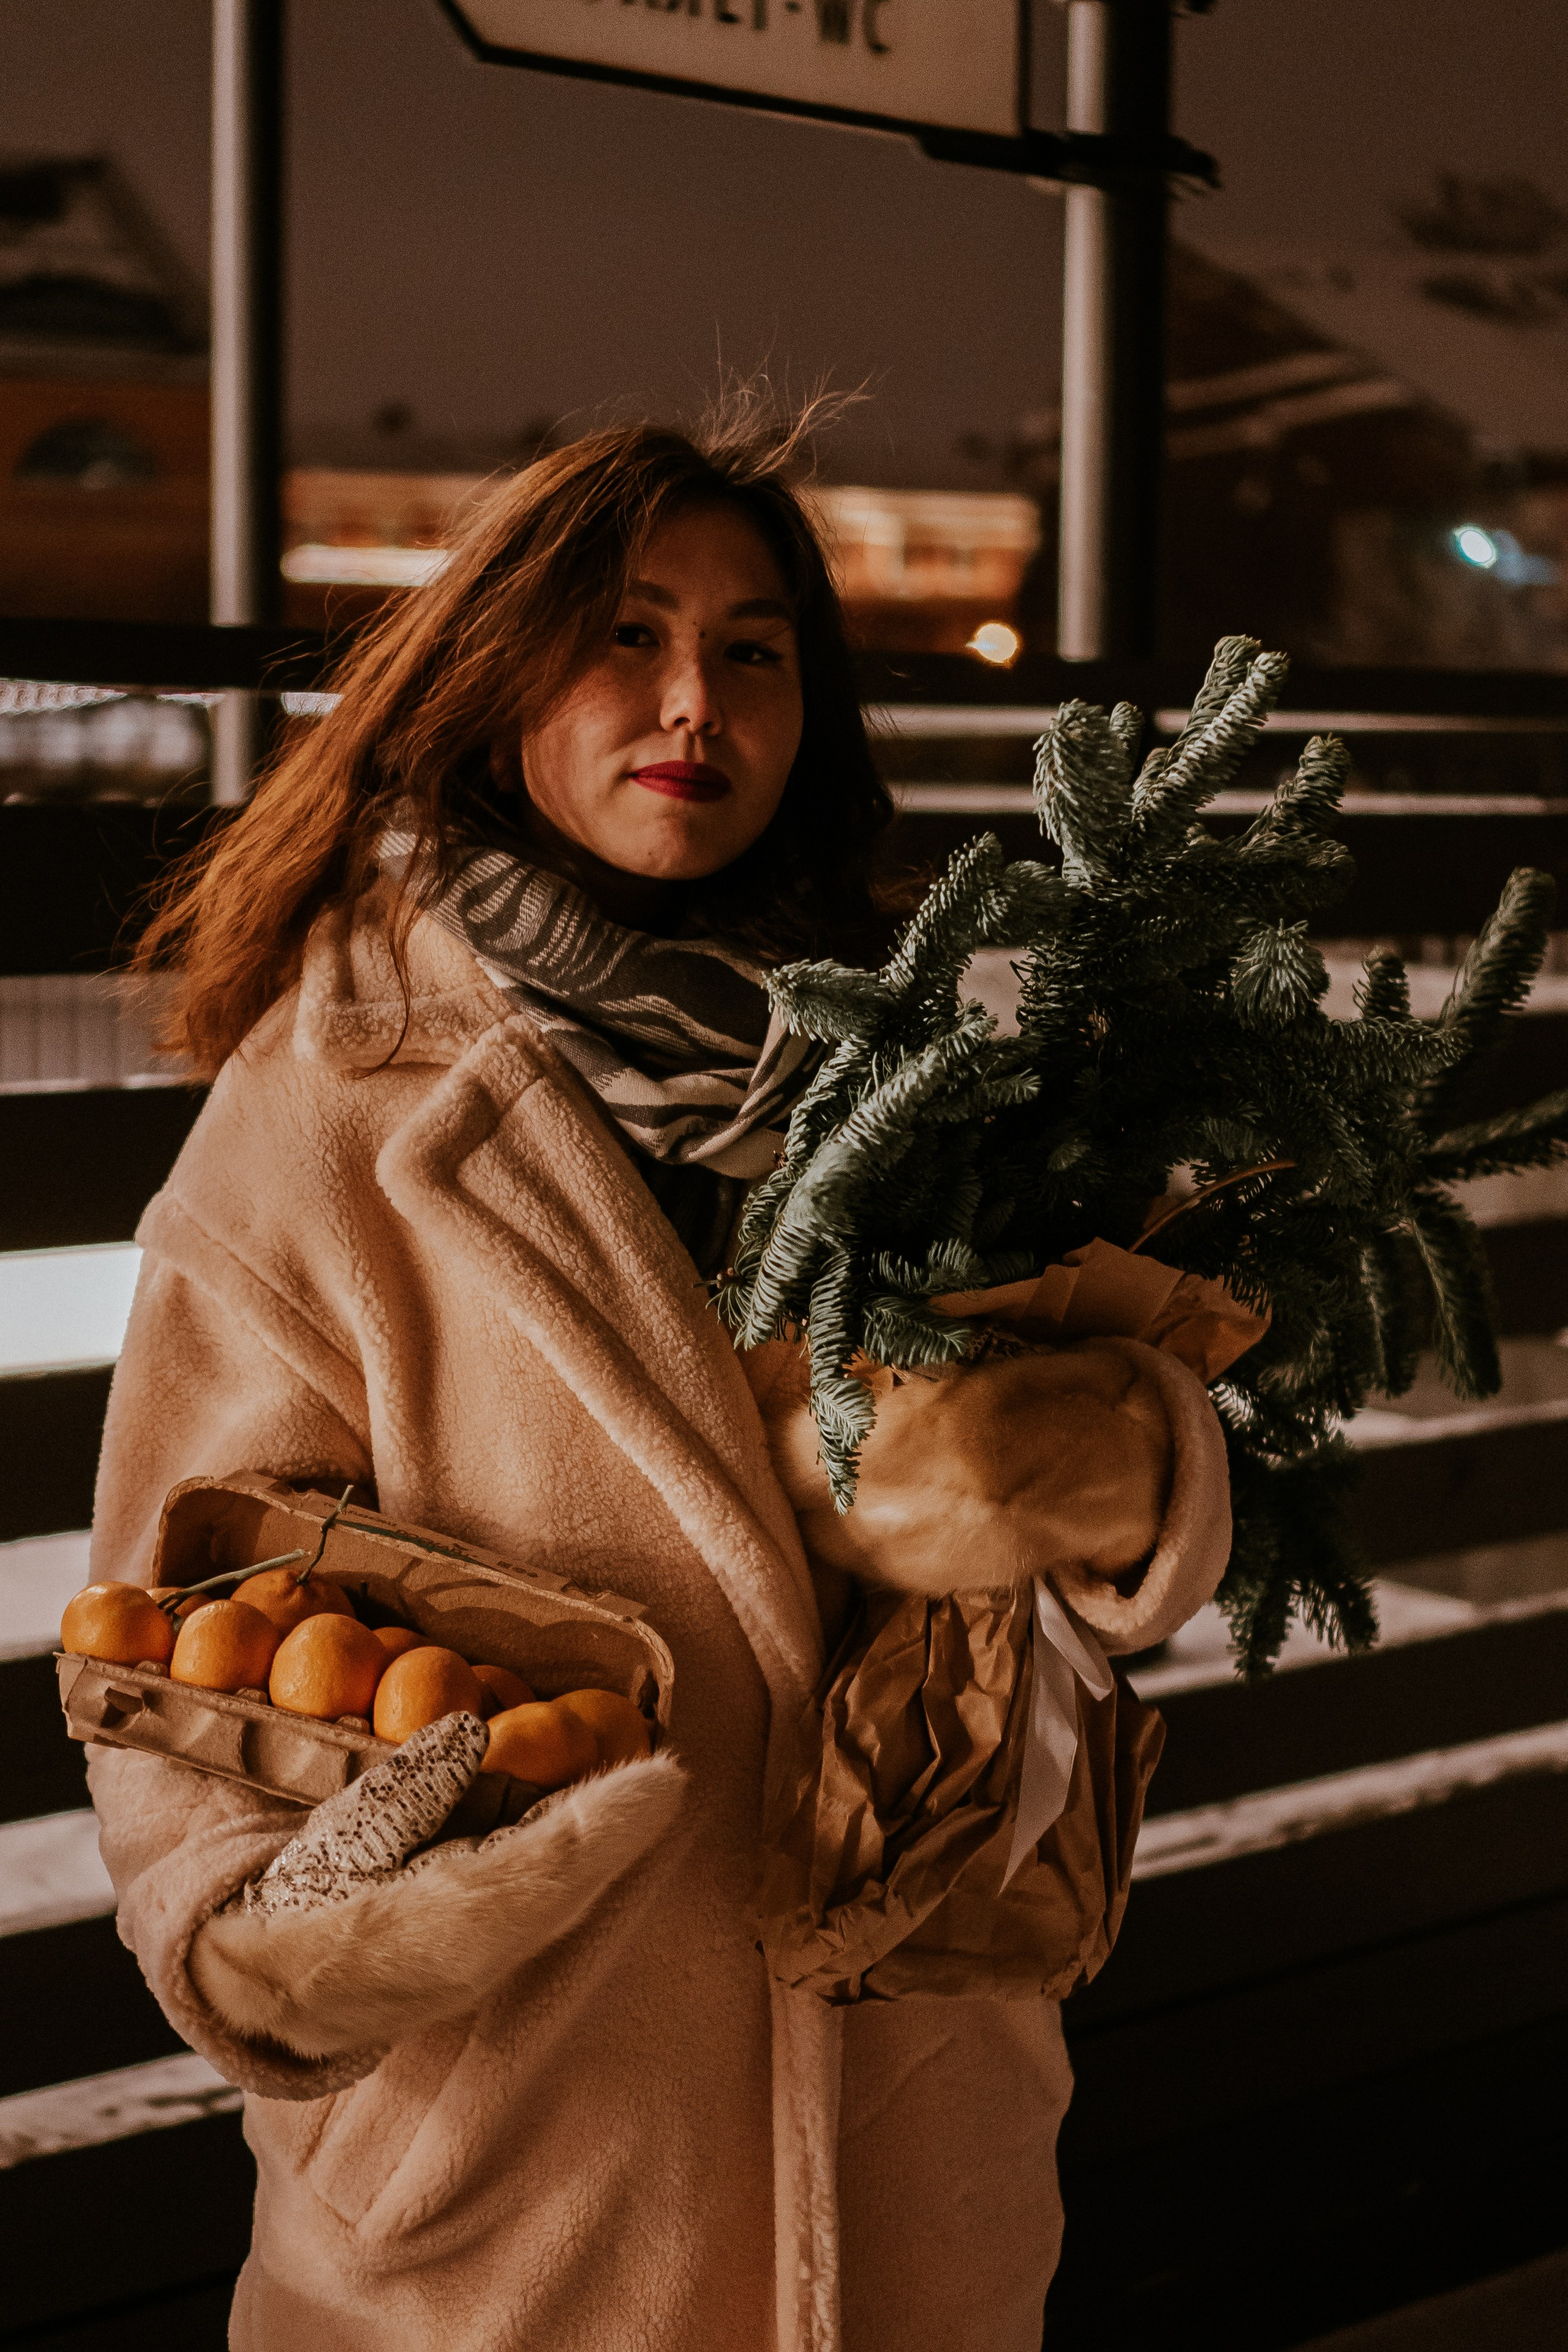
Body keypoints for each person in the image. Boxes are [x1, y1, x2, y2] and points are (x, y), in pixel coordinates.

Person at [86, 407, 1075, 2352]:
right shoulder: (334, 1108)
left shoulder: (927, 1068)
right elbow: (169, 1643)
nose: (694, 694)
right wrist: (297, 1954)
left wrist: (1131, 1490)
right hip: (522, 2176)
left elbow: (1092, 1496)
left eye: (755, 644)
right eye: (625, 633)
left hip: (912, 2119)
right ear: (495, 675)